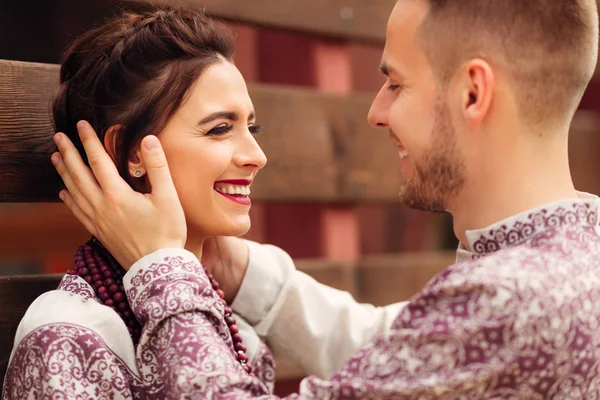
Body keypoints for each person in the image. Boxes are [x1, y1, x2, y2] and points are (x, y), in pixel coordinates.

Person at [10, 0, 600, 398]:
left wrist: (162, 268)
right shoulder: (577, 258)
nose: (376, 111)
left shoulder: (509, 299)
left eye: (395, 82)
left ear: (474, 92)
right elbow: (392, 350)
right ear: (131, 152)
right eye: (220, 128)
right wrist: (235, 274)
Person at [2, 9, 280, 399]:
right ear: (130, 152)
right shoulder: (66, 340)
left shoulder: (238, 334)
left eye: (252, 128)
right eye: (220, 128)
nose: (257, 155)